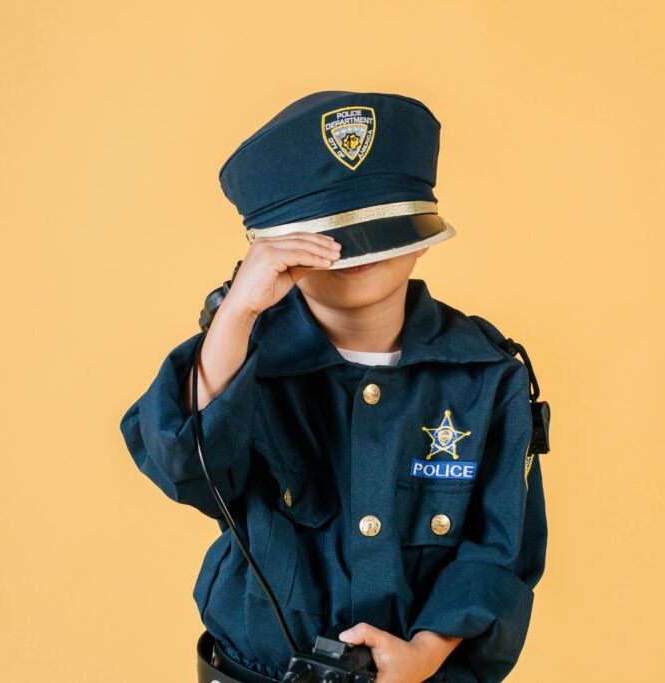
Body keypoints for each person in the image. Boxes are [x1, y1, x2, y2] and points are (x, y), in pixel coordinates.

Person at [119, 91, 548, 683]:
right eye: (323, 236)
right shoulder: (243, 358)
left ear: (420, 231)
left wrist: (425, 651)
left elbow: (499, 548)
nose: (354, 253)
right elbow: (186, 468)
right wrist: (237, 313)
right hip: (254, 671)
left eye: (380, 224)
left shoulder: (486, 375)